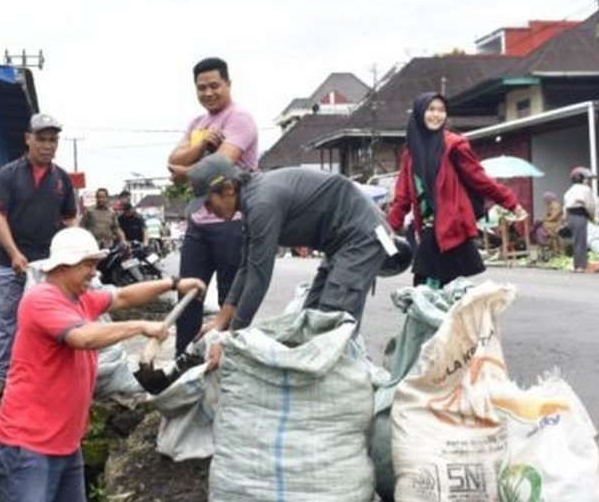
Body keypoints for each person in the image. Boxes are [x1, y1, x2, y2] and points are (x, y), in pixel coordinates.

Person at [0, 226, 205, 502]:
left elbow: (124, 297)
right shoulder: (40, 300)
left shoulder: (81, 299)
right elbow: (83, 338)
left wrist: (174, 284)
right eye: (87, 264)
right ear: (63, 266)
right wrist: (139, 328)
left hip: (65, 444)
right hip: (27, 447)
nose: (94, 272)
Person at [189, 154, 394, 338]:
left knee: (331, 324)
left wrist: (233, 337)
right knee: (309, 320)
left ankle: (343, 375)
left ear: (228, 188)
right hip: (338, 243)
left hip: (360, 236)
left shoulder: (262, 204)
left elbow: (258, 278)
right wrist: (220, 321)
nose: (208, 210)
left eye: (208, 202)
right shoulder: (250, 202)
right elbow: (246, 267)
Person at [167, 57, 259, 356]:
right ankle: (184, 364)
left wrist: (187, 165)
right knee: (188, 296)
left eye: (214, 86)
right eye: (201, 88)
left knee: (231, 298)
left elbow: (220, 164)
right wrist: (200, 145)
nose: (208, 93)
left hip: (231, 220)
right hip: (198, 222)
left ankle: (231, 363)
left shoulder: (239, 119)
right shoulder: (198, 124)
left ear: (228, 84)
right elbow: (174, 160)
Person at [387, 93, 525, 288]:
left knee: (428, 286)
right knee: (431, 289)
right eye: (431, 109)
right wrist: (390, 227)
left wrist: (510, 202)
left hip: (451, 225)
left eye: (441, 110)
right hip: (428, 229)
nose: (437, 115)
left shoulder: (454, 144)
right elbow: (403, 197)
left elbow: (480, 179)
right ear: (419, 113)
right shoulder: (410, 153)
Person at [0, 112, 78, 399]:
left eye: (53, 140)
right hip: (11, 263)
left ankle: (42, 376)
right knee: (7, 319)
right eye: (41, 139)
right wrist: (14, 254)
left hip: (47, 267)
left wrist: (73, 254)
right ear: (28, 139)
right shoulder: (8, 175)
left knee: (49, 322)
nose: (48, 145)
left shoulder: (62, 179)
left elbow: (70, 220)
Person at [562, 166, 599, 273]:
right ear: (581, 178)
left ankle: (576, 264)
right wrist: (592, 216)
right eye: (586, 179)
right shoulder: (585, 189)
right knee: (581, 241)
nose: (587, 181)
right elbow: (590, 205)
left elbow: (565, 207)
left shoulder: (569, 191)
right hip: (580, 216)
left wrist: (565, 219)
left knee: (576, 241)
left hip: (570, 216)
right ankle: (581, 266)